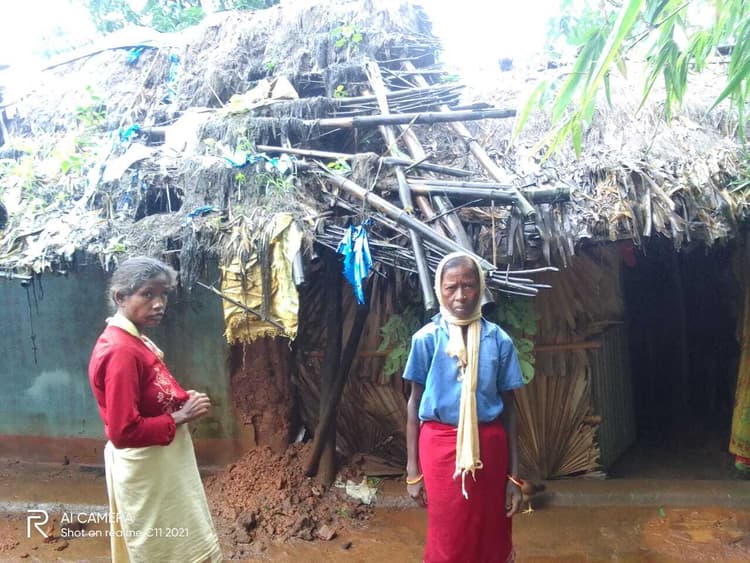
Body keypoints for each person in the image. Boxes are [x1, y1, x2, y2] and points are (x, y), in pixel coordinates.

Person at [88, 256, 223, 563]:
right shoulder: (121, 350)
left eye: (163, 294)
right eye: (148, 294)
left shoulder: (131, 339)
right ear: (120, 297)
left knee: (174, 540)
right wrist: (180, 415)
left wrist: (178, 399)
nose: (159, 303)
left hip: (158, 464)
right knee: (163, 547)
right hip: (147, 468)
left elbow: (146, 392)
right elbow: (123, 431)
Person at [403, 251, 525, 563]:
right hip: (439, 449)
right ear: (439, 290)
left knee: (491, 530)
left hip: (490, 447)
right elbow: (414, 403)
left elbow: (510, 410)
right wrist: (413, 470)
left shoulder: (499, 341)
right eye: (451, 287)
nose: (460, 295)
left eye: (468, 285)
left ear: (480, 288)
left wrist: (514, 477)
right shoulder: (426, 339)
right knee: (449, 534)